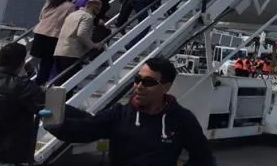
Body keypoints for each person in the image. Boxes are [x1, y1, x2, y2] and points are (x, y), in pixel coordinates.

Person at [45, 57, 215, 166]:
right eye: (137, 79)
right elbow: (85, 129)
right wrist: (54, 123)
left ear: (166, 87)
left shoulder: (182, 119)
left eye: (148, 82)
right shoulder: (119, 114)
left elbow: (204, 159)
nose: (139, 86)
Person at [30, 0, 76, 85]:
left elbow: (41, 16)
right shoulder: (70, 6)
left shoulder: (50, 2)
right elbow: (70, 22)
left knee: (36, 59)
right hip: (53, 35)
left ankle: (28, 77)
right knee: (48, 61)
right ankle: (40, 83)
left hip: (39, 32)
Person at [54, 0, 105, 83]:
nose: (98, 12)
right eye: (98, 9)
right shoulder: (87, 17)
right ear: (93, 8)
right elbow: (81, 34)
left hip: (59, 50)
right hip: (72, 53)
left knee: (61, 81)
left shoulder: (72, 14)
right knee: (70, 82)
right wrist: (92, 45)